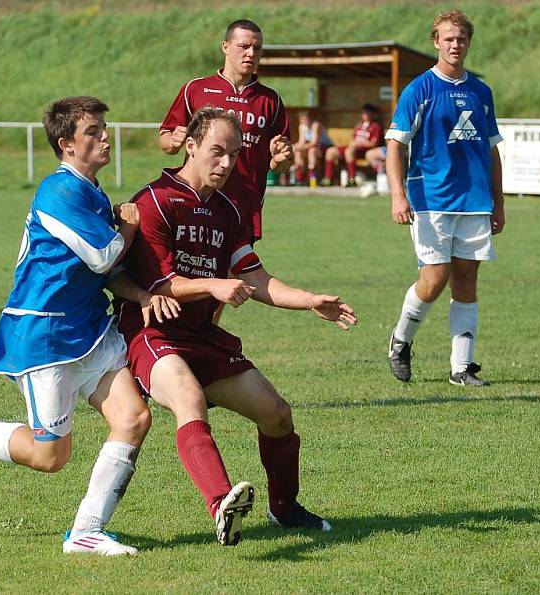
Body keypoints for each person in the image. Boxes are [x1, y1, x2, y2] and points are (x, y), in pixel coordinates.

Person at [0, 96, 180, 556]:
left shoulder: (93, 193)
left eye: (105, 127)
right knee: (50, 456)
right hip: (44, 335)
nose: (105, 137)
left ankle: (86, 531)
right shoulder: (59, 192)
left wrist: (143, 294)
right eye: (93, 131)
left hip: (89, 328)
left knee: (133, 417)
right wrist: (129, 225)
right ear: (66, 144)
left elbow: (107, 273)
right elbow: (105, 254)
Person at [111, 108, 357, 547]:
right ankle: (222, 505)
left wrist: (308, 301)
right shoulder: (155, 201)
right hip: (153, 334)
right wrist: (216, 285)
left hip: (203, 337)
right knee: (188, 399)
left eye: (234, 155)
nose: (226, 164)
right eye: (217, 152)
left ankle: (284, 508)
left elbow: (255, 278)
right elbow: (161, 284)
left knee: (277, 414)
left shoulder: (228, 210)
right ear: (191, 146)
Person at [384, 9, 505, 387]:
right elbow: (395, 145)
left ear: (469, 42)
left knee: (467, 281)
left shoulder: (480, 92)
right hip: (430, 199)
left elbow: (492, 150)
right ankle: (400, 340)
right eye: (448, 39)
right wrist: (398, 195)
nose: (455, 45)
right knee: (434, 279)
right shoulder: (419, 89)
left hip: (474, 202)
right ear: (436, 41)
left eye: (462, 39)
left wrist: (498, 202)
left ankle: (462, 368)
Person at [159, 18, 293, 243]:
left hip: (244, 204)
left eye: (257, 48)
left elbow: (279, 164)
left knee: (235, 275)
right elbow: (165, 139)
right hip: (197, 200)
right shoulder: (195, 89)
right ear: (225, 47)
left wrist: (281, 159)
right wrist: (172, 142)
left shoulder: (271, 100)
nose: (251, 53)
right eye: (243, 47)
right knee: (195, 269)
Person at [321, 103, 383, 187]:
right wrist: (354, 143)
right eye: (364, 113)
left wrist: (360, 143)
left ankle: (352, 179)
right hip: (353, 149)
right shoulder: (359, 125)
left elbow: (374, 143)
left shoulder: (376, 126)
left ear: (373, 114)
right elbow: (353, 140)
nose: (365, 115)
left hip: (364, 151)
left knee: (349, 151)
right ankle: (328, 179)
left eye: (368, 113)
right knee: (330, 151)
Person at [292, 110, 333, 186]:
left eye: (306, 119)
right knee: (297, 152)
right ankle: (300, 177)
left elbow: (314, 142)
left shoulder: (316, 125)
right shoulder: (302, 126)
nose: (305, 121)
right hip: (314, 146)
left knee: (312, 151)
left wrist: (300, 147)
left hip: (325, 146)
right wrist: (293, 147)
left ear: (310, 118)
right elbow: (302, 142)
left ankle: (312, 178)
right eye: (303, 119)